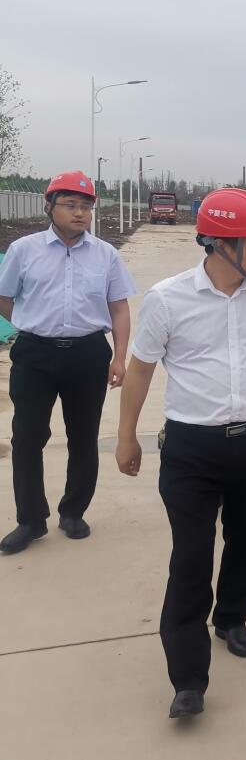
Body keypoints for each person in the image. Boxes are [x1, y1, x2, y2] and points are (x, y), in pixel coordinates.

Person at [115, 188, 246, 718]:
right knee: (190, 558)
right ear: (223, 244)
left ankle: (231, 618)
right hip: (192, 450)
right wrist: (126, 434)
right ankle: (187, 679)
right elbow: (141, 369)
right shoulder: (168, 298)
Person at [0, 170, 136, 555]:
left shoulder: (106, 255)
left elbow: (119, 307)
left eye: (86, 206)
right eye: (71, 205)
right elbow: (5, 297)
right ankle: (31, 520)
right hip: (35, 355)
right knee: (27, 436)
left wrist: (120, 356)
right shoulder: (24, 250)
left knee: (83, 436)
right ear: (50, 206)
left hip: (88, 353)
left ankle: (73, 512)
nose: (80, 213)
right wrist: (28, 326)